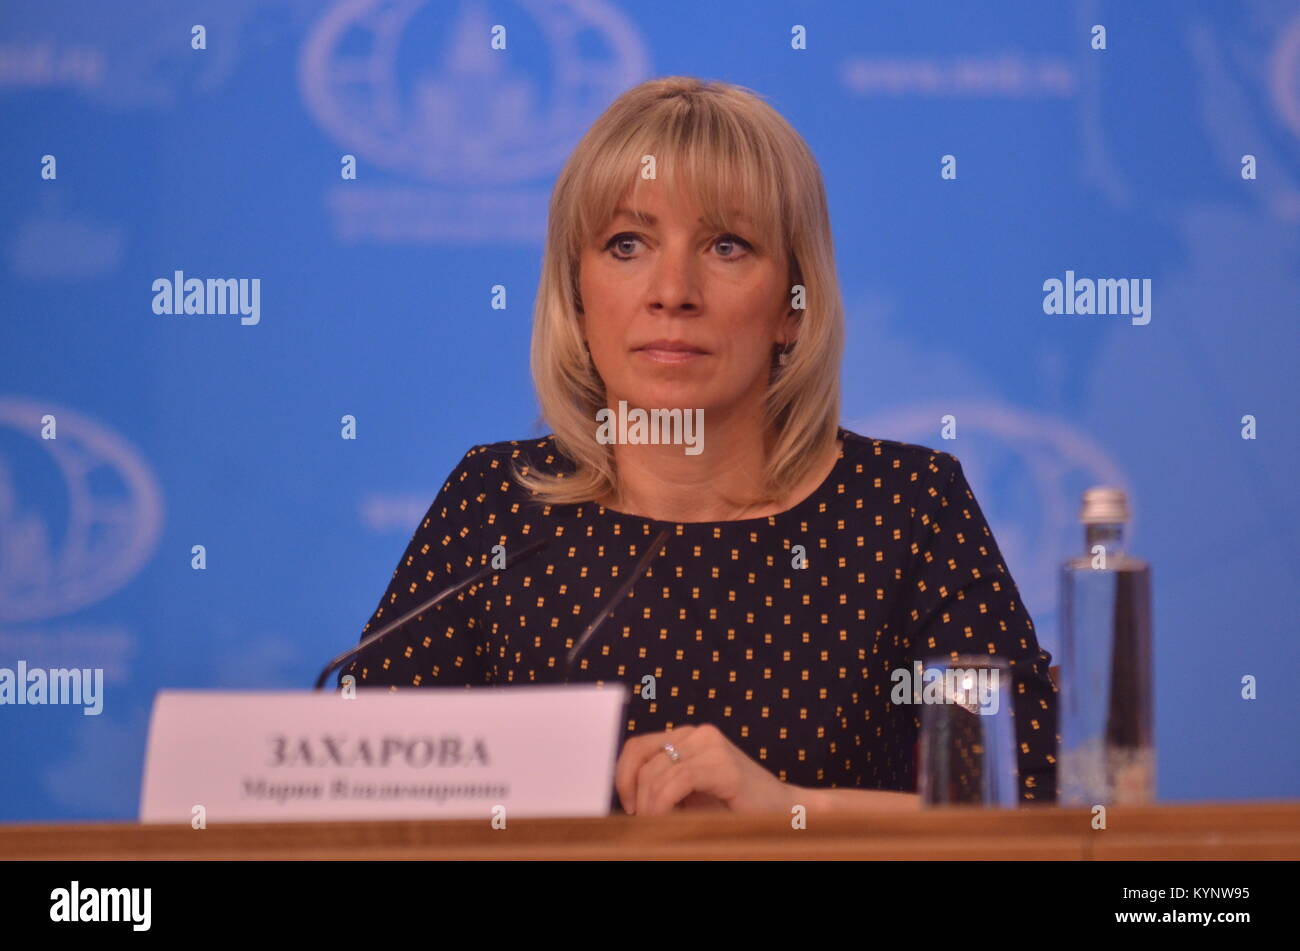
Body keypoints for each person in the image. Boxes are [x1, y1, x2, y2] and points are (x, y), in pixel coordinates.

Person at [342, 76, 1058, 816]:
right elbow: (362, 791)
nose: (672, 290)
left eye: (726, 245)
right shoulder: (496, 503)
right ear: (577, 294)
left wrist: (787, 811)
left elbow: (1030, 807)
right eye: (628, 245)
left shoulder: (908, 507)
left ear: (793, 304)